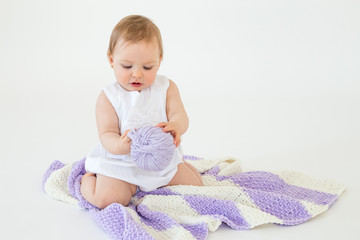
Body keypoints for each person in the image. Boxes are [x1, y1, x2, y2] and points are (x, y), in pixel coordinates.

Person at [80, 15, 203, 209]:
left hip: (160, 163)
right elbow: (106, 134)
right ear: (111, 59)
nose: (137, 74)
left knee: (196, 186)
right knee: (107, 201)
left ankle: (180, 166)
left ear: (159, 60)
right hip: (120, 165)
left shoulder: (166, 88)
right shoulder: (109, 97)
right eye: (127, 66)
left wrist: (176, 126)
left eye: (148, 67)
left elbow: (181, 116)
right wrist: (120, 145)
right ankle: (88, 182)